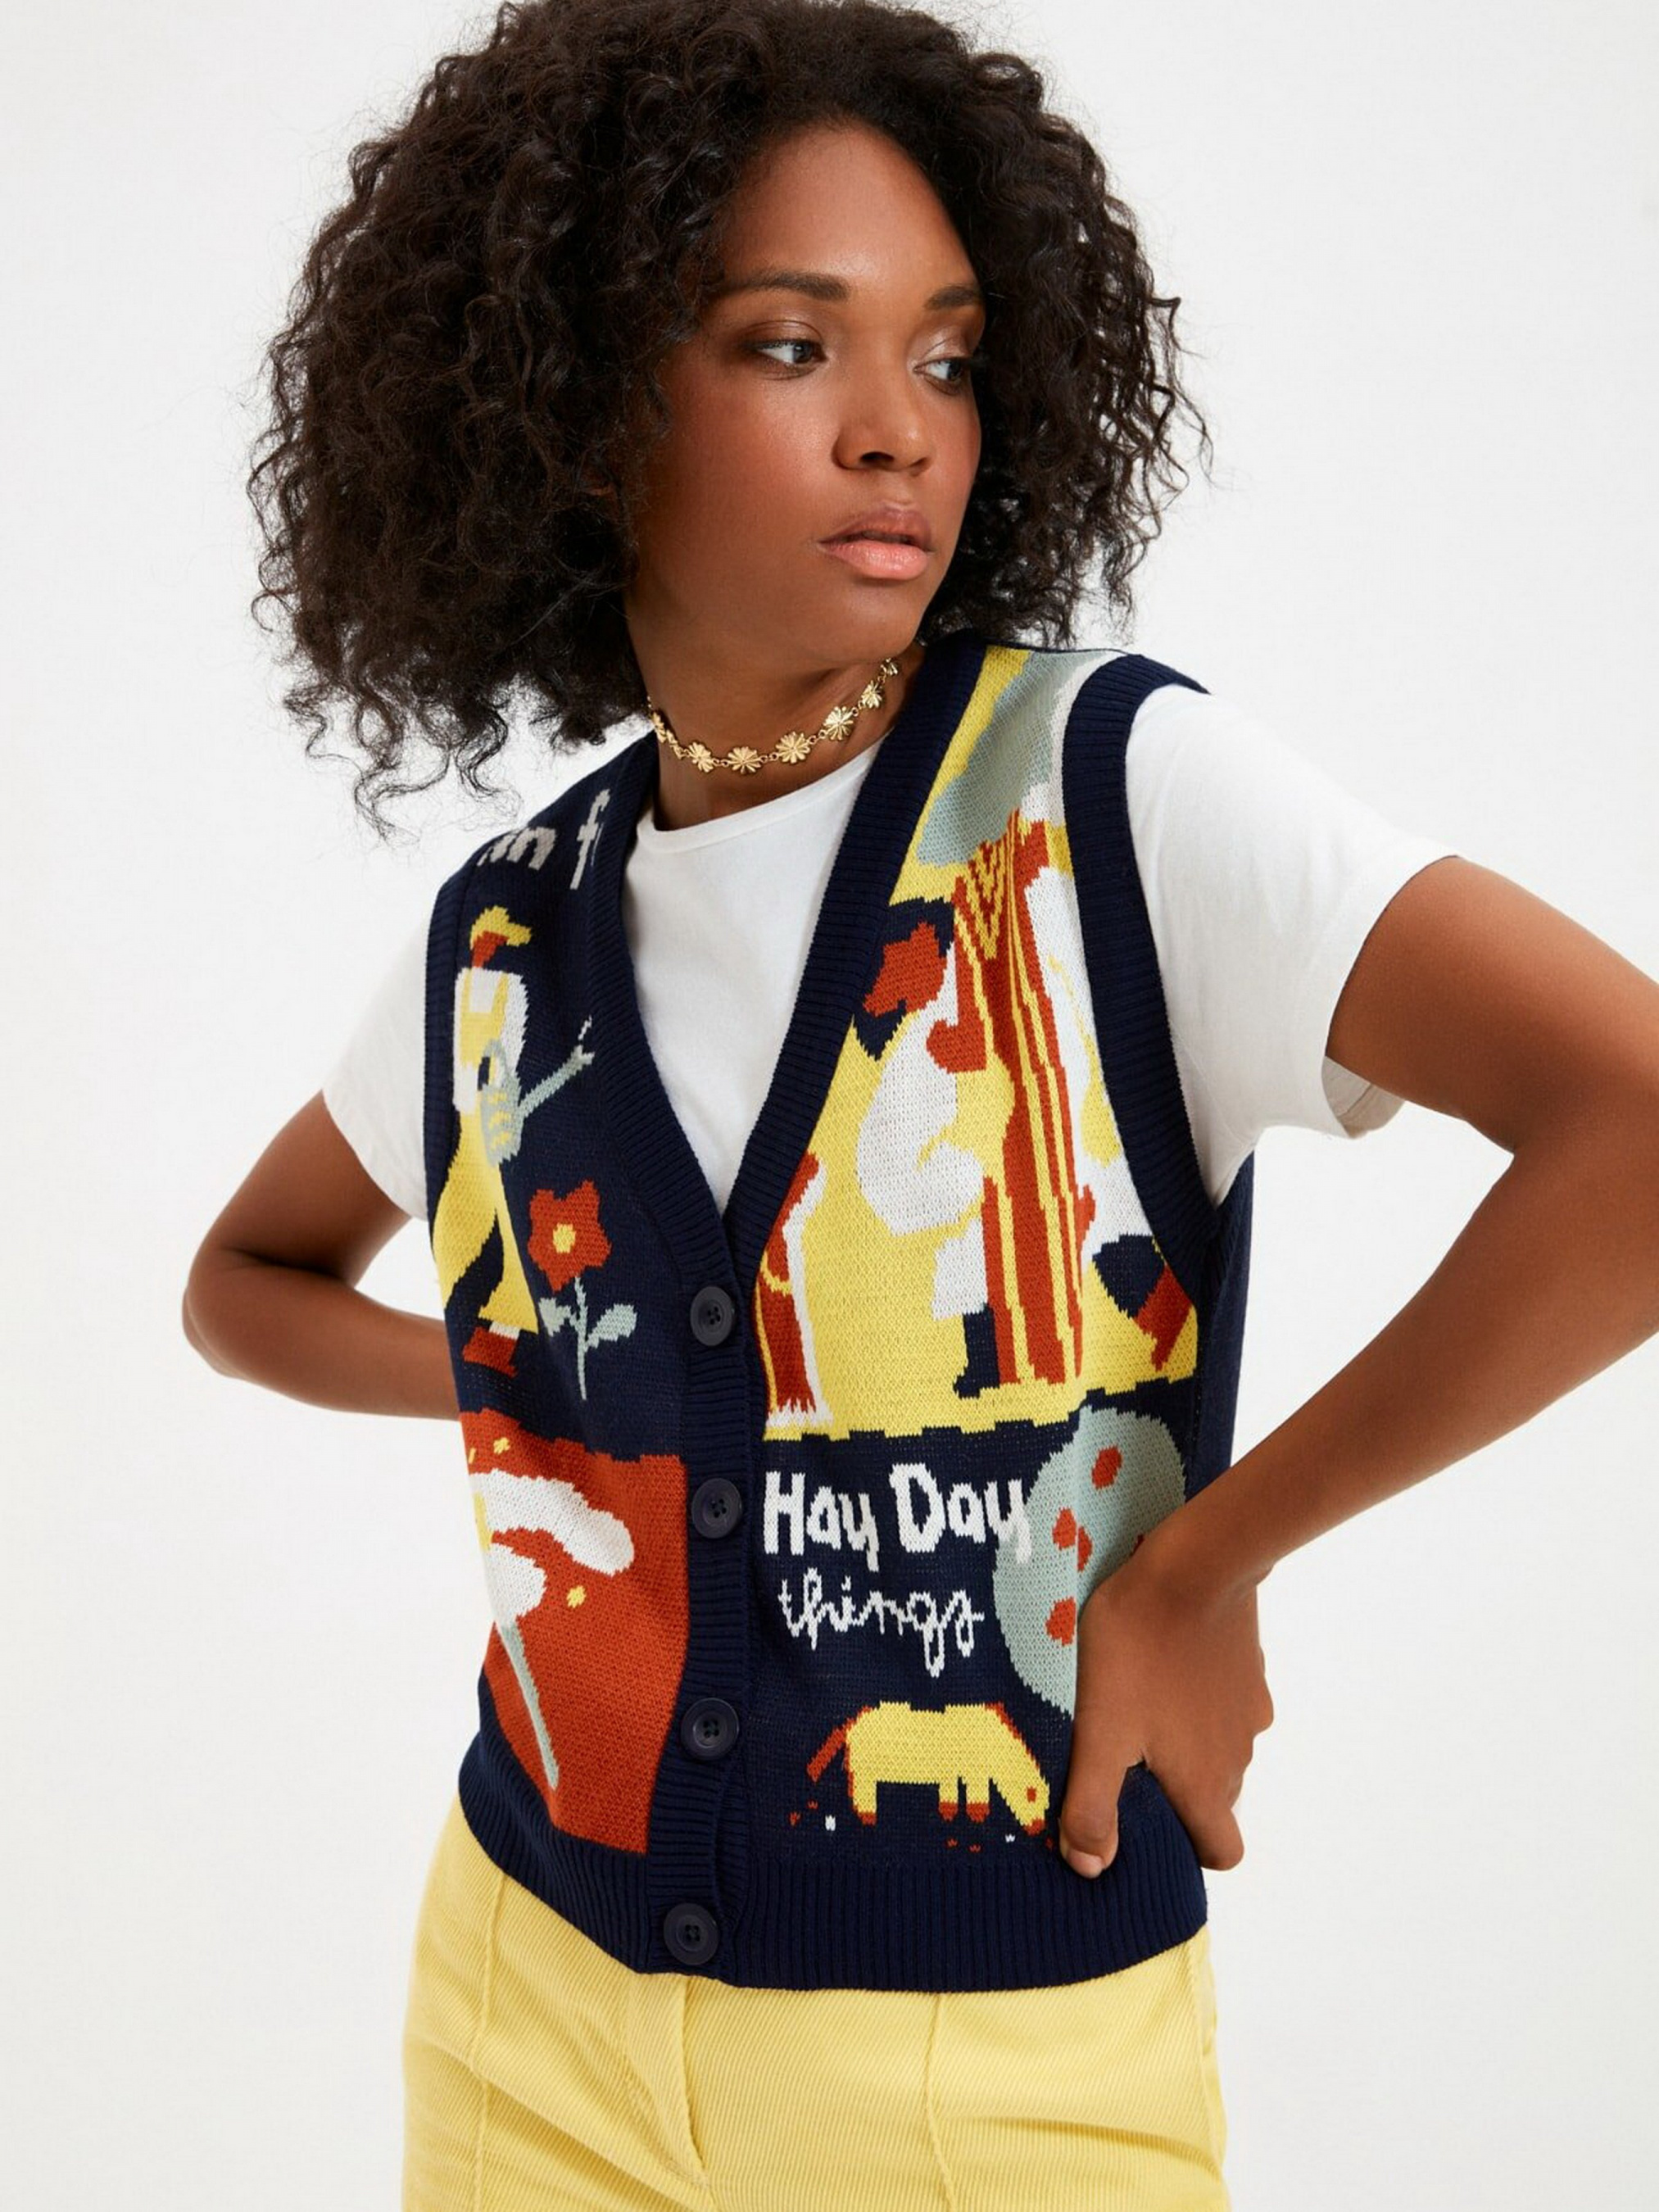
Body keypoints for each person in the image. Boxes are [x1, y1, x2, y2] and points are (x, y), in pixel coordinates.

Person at [180, 2, 1659, 2206]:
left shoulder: (1108, 799)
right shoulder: (509, 930)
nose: (896, 432)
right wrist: (520, 1382)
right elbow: (244, 1281)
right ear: (579, 410)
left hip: (994, 2074)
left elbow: (1635, 1123)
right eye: (793, 348)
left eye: (949, 360)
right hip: (520, 2018)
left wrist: (1204, 1565)